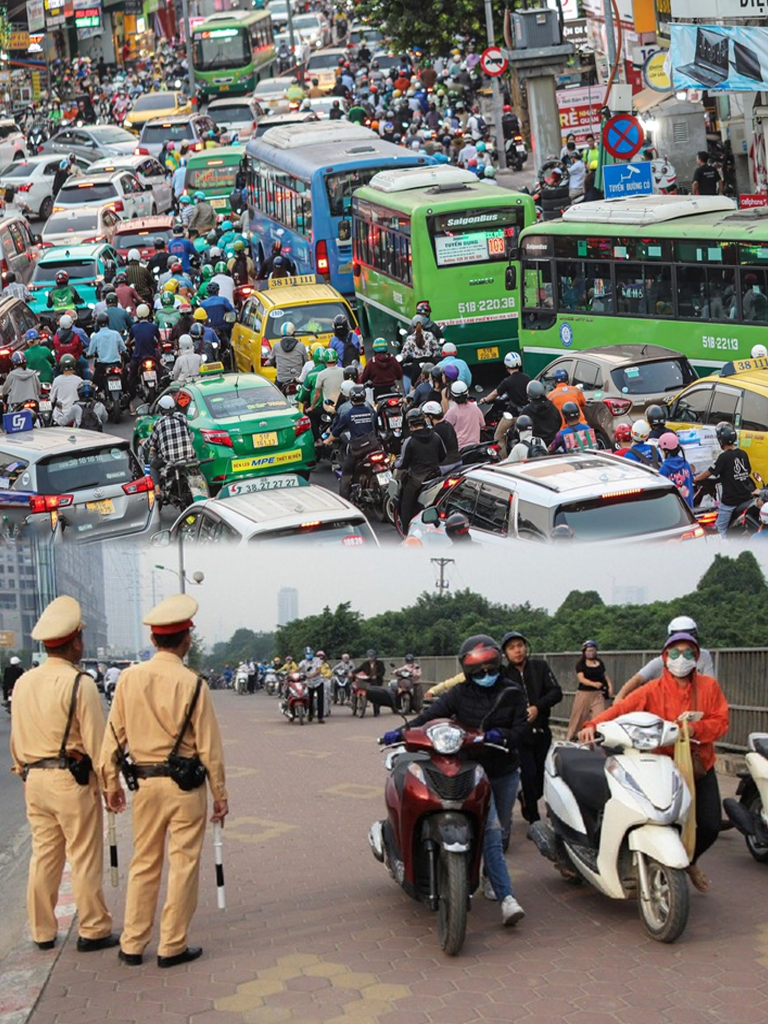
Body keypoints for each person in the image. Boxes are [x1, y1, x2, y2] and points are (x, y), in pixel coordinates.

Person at [99, 594, 228, 967]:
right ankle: (171, 946)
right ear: (186, 639)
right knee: (184, 863)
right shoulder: (193, 684)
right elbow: (210, 747)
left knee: (143, 862)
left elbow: (112, 738)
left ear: (154, 640)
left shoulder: (128, 679)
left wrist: (111, 784)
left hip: (144, 786)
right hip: (185, 788)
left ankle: (132, 943)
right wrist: (220, 794)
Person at [382, 635, 528, 924]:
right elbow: (431, 714)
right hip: (472, 769)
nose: (485, 675)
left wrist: (505, 736)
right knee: (490, 832)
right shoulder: (459, 694)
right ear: (467, 671)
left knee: (500, 832)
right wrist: (401, 732)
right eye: (478, 671)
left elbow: (522, 729)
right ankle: (507, 897)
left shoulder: (512, 691)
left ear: (498, 664)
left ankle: (490, 878)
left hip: (504, 769)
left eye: (490, 669)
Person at [579, 630, 729, 893]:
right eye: (674, 653)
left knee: (709, 824)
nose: (680, 658)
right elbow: (621, 709)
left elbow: (721, 721)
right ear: (664, 657)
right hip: (663, 766)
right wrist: (592, 723)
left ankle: (689, 861)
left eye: (687, 653)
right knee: (661, 817)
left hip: (699, 764)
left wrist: (695, 730)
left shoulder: (708, 687)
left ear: (696, 657)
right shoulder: (652, 689)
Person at [10, 596, 118, 953]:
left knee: (44, 856)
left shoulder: (23, 682)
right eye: (80, 639)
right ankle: (94, 928)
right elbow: (97, 743)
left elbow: (16, 736)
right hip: (70, 781)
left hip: (34, 779)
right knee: (84, 855)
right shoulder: (79, 683)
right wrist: (110, 785)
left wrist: (22, 768)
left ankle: (42, 931)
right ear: (74, 642)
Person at [500, 631, 562, 826]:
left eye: (520, 645)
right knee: (528, 774)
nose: (517, 650)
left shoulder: (540, 667)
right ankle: (534, 820)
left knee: (543, 777)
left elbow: (556, 692)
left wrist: (537, 707)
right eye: (511, 648)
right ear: (505, 653)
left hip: (542, 730)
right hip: (521, 734)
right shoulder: (503, 675)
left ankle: (527, 798)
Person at [615, 615, 715, 703]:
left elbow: (711, 684)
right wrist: (619, 698)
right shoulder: (662, 661)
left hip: (695, 705)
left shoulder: (704, 656)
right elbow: (638, 679)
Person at [694, 422, 753, 538]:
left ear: (721, 441)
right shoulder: (743, 454)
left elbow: (709, 472)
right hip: (746, 498)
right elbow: (748, 471)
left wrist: (696, 479)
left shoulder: (724, 457)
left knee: (719, 529)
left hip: (730, 501)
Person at [395, 407, 446, 530]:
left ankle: (407, 530)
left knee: (405, 504)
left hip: (417, 480)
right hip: (436, 476)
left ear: (410, 424)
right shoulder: (436, 436)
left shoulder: (409, 441)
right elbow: (443, 455)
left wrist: (394, 464)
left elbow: (403, 463)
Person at [325, 384, 378, 499]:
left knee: (346, 474)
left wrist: (327, 441)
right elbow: (377, 428)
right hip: (374, 446)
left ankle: (346, 501)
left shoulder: (348, 415)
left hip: (358, 449)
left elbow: (336, 432)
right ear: (364, 398)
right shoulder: (371, 412)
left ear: (351, 399)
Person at [146, 394, 195, 494]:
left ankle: (157, 492)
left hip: (169, 459)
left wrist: (143, 444)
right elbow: (189, 434)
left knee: (153, 467)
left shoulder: (159, 422)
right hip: (188, 456)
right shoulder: (182, 417)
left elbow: (151, 442)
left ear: (161, 410)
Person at [566, 640, 612, 740]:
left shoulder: (599, 663)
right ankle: (570, 738)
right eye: (588, 650)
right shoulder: (581, 664)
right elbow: (581, 679)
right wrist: (593, 684)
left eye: (593, 650)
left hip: (598, 694)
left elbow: (605, 675)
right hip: (584, 693)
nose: (591, 652)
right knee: (577, 718)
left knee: (599, 718)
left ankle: (595, 742)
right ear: (584, 652)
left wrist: (609, 686)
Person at [86, 312, 127, 395]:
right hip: (116, 364)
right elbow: (124, 348)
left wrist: (89, 354)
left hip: (102, 365)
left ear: (98, 324)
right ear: (108, 322)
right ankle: (127, 397)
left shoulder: (96, 337)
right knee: (125, 382)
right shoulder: (116, 334)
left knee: (95, 385)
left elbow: (90, 352)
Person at [399, 317, 440, 393]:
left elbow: (404, 354)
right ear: (424, 325)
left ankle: (410, 402)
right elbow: (437, 350)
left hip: (417, 364)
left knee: (412, 386)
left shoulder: (410, 338)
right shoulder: (430, 335)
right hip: (430, 363)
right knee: (437, 384)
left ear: (412, 326)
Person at [658, 431, 695, 508]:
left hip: (673, 510)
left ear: (666, 451)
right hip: (688, 509)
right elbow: (691, 481)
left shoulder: (664, 469)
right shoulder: (685, 463)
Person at [267, 321, 308, 391]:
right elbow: (305, 362)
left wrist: (268, 363)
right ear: (293, 332)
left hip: (281, 380)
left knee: (275, 396)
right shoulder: (301, 346)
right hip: (298, 380)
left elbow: (271, 361)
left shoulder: (276, 346)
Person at [519, 380, 562, 447]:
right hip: (552, 443)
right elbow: (559, 422)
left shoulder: (527, 411)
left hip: (534, 445)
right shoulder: (552, 407)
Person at [444, 380, 484, 449]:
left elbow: (445, 430)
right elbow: (482, 424)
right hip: (476, 447)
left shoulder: (452, 412)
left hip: (460, 449)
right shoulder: (475, 408)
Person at [421, 400, 459, 466]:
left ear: (430, 416)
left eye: (426, 417)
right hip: (457, 459)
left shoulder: (434, 432)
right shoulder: (448, 425)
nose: (425, 419)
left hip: (446, 464)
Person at [50, 354, 83, 426]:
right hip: (75, 415)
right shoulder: (79, 380)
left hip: (61, 416)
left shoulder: (57, 380)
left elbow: (51, 399)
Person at [354, 649, 386, 718]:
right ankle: (357, 705)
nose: (370, 658)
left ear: (375, 657)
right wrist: (352, 673)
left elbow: (382, 672)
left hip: (377, 681)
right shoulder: (365, 664)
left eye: (372, 656)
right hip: (368, 681)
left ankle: (376, 711)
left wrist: (376, 676)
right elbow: (359, 669)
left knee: (376, 696)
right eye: (369, 656)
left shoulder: (380, 663)